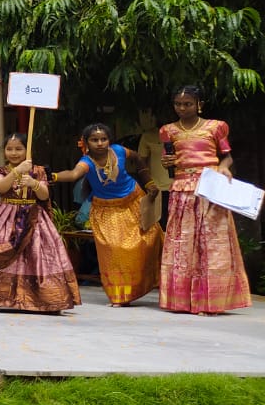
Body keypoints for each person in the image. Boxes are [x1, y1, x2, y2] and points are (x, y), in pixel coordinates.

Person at [158, 85, 251, 315]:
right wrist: (166, 162)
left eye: (187, 104)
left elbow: (227, 156)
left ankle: (211, 301)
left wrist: (223, 167)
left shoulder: (216, 127)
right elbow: (168, 160)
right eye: (178, 104)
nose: (182, 108)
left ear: (200, 104)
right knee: (182, 243)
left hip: (209, 186)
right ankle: (182, 300)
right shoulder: (168, 130)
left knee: (211, 242)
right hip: (181, 188)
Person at [0, 133, 80, 314]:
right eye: (9, 149)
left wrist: (34, 183)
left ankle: (49, 301)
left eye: (19, 149)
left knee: (39, 258)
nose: (14, 153)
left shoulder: (38, 171)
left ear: (27, 150)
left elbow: (44, 195)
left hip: (34, 218)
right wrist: (17, 171)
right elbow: (0, 187)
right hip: (5, 218)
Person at [51, 123, 161, 307]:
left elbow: (137, 158)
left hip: (134, 201)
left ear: (109, 140)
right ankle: (120, 296)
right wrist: (53, 176)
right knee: (115, 250)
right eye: (95, 140)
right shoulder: (86, 162)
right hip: (106, 210)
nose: (100, 143)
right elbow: (72, 175)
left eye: (104, 139)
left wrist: (148, 182)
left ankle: (150, 284)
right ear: (86, 142)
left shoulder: (118, 150)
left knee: (150, 238)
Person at [136, 114, 173, 228]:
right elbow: (141, 161)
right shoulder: (148, 136)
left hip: (179, 187)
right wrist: (148, 183)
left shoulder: (182, 135)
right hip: (157, 188)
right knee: (157, 226)